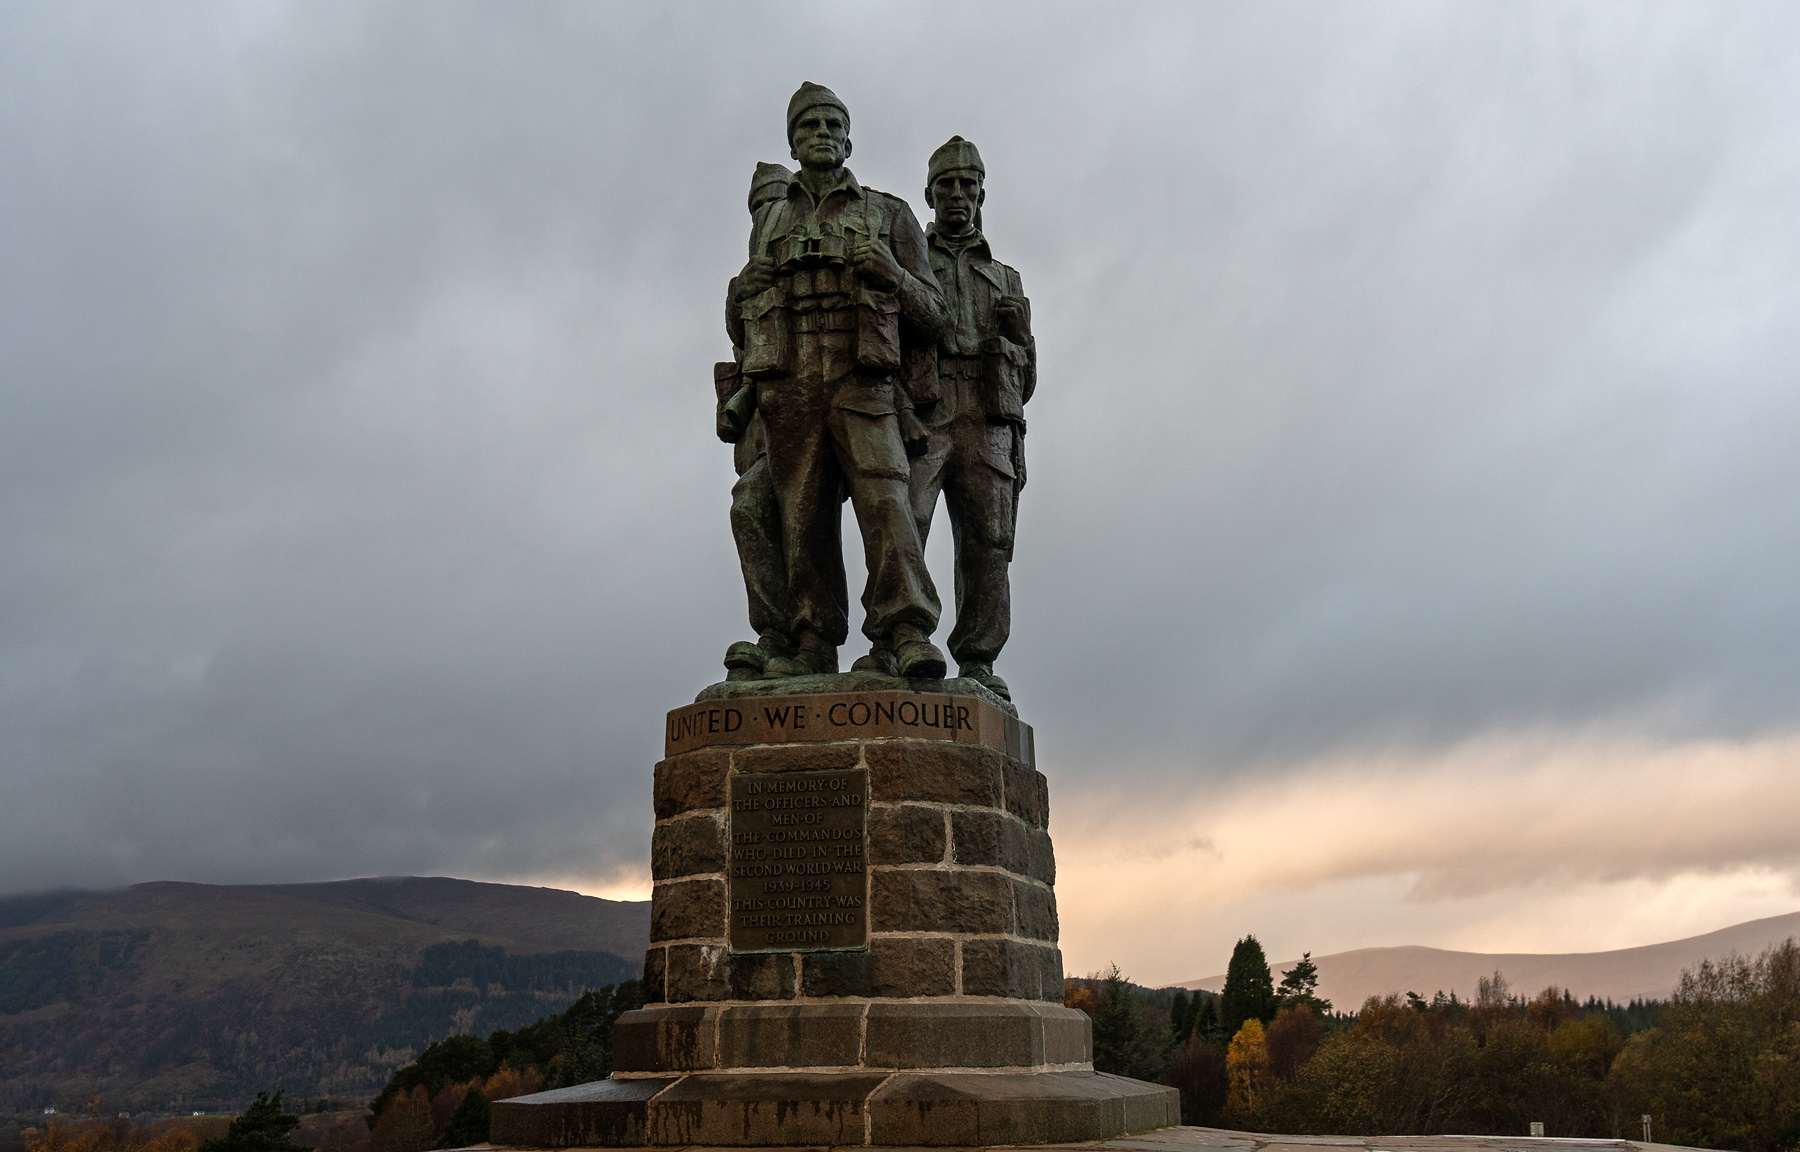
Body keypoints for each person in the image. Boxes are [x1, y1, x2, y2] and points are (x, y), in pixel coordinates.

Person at [730, 82, 950, 679]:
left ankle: (905, 631)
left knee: (886, 499)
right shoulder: (771, 220)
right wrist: (736, 295)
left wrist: (894, 278)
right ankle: (810, 642)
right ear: (793, 142)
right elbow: (744, 318)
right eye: (809, 127)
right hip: (791, 380)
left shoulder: (888, 212)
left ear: (849, 140)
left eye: (832, 125)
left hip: (862, 380)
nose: (821, 134)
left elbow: (938, 317)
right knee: (800, 516)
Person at [909, 136, 1035, 700]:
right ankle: (899, 638)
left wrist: (1019, 336)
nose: (957, 195)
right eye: (946, 186)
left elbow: (1028, 379)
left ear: (982, 193)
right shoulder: (912, 259)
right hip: (927, 409)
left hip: (987, 418)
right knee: (904, 519)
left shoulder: (1005, 278)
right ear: (930, 194)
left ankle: (978, 658)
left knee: (989, 543)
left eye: (967, 185)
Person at [717, 162, 803, 679]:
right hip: (770, 426)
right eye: (758, 209)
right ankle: (775, 633)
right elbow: (743, 338)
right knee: (751, 507)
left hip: (837, 408)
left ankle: (887, 641)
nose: (765, 217)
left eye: (774, 205)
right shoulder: (750, 279)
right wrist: (739, 293)